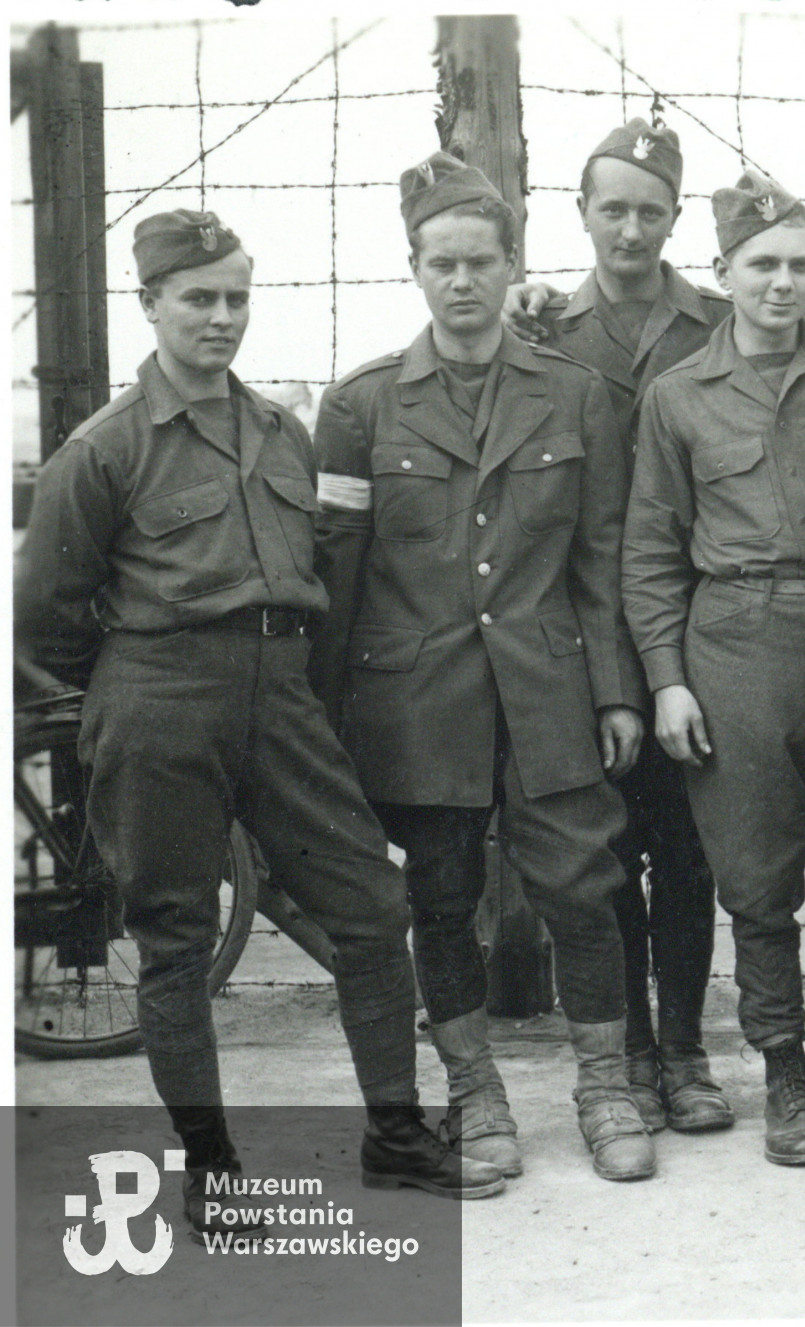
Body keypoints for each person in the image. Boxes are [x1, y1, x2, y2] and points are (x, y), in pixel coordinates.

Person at [15, 208, 504, 1239]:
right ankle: (212, 1170)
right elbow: (45, 617)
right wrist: (129, 698)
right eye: (199, 298)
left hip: (282, 696)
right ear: (151, 304)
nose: (221, 317)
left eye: (236, 297)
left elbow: (320, 563)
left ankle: (396, 1134)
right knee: (176, 941)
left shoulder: (282, 430)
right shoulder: (103, 449)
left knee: (371, 907)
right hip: (160, 698)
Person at [310, 153, 653, 1184]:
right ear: (414, 267)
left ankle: (605, 1088)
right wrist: (329, 719)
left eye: (480, 262)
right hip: (418, 701)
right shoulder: (360, 406)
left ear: (512, 265)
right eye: (442, 264)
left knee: (583, 889)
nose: (462, 282)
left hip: (550, 688)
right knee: (441, 898)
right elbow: (340, 575)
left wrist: (616, 692)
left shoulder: (575, 396)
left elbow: (599, 559)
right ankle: (474, 1092)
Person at [624, 171, 805, 1168]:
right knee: (759, 879)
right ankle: (784, 1071)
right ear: (723, 271)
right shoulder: (678, 396)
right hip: (735, 642)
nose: (783, 283)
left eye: (802, 265)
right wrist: (666, 677)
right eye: (762, 264)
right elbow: (651, 551)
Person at [509, 118, 736, 1136]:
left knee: (688, 854)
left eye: (651, 210)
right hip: (585, 628)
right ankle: (629, 1054)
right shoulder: (542, 329)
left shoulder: (720, 321)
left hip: (697, 625)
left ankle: (684, 1049)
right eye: (614, 209)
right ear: (583, 212)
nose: (631, 229)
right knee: (602, 859)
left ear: (676, 217)